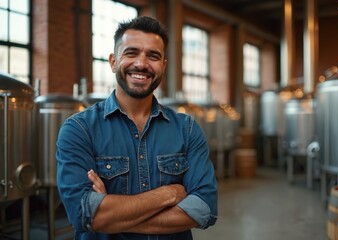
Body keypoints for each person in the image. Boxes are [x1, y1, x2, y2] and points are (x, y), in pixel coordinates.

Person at [56, 16, 218, 240]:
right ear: (113, 61)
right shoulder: (79, 129)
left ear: (163, 65)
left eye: (153, 56)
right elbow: (85, 215)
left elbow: (204, 209)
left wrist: (113, 217)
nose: (141, 64)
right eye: (131, 53)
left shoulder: (187, 129)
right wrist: (170, 193)